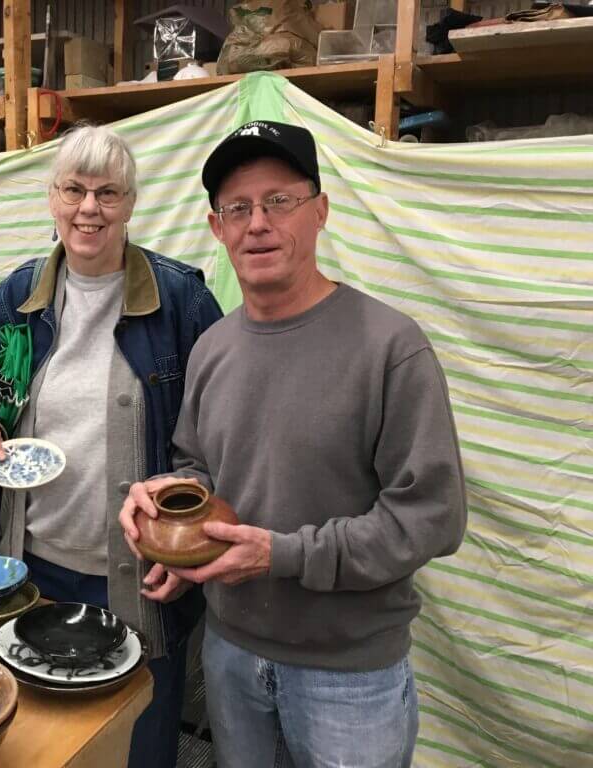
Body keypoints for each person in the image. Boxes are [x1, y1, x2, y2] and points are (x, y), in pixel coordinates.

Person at [119, 120, 468, 768]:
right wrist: (171, 504)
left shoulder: (389, 347)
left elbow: (432, 518)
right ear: (217, 228)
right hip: (230, 652)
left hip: (349, 674)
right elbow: (198, 465)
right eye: (238, 208)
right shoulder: (213, 348)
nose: (258, 223)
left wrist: (282, 555)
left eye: (280, 201)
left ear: (321, 211)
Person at [0, 124, 223, 768]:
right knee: (44, 740)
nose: (88, 209)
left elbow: (225, 420)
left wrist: (190, 537)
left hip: (140, 571)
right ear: (52, 197)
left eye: (107, 193)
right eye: (73, 189)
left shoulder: (180, 297)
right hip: (32, 563)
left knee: (141, 738)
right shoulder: (21, 295)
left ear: (130, 203)